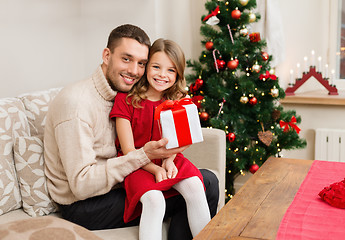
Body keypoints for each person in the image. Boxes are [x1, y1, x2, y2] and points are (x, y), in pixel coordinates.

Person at [43, 24, 219, 240]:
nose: (134, 71)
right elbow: (82, 186)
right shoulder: (76, 105)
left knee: (201, 181)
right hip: (85, 204)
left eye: (141, 63)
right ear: (107, 55)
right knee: (206, 183)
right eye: (126, 59)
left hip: (120, 181)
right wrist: (145, 158)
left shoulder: (123, 91)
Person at [110, 38, 211, 240]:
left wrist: (169, 160)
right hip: (137, 164)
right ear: (146, 67)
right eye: (156, 67)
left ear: (178, 74)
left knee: (195, 186)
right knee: (155, 201)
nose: (162, 75)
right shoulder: (126, 100)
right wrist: (155, 168)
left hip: (167, 158)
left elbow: (181, 141)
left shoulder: (177, 102)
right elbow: (129, 152)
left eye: (171, 70)